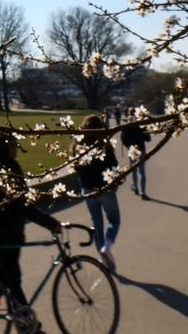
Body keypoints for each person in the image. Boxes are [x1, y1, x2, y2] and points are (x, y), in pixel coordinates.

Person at [0, 133, 62, 333]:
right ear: (7, 147)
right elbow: (25, 205)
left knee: (1, 283)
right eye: (14, 145)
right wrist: (51, 223)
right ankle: (28, 326)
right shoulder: (10, 168)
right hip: (9, 232)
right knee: (12, 280)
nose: (16, 149)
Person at [72, 114, 120, 270]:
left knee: (97, 223)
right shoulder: (104, 145)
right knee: (114, 220)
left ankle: (103, 256)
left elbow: (76, 167)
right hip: (105, 188)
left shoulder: (78, 145)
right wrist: (116, 180)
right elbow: (114, 165)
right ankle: (107, 247)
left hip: (87, 189)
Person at [121, 122, 151, 199]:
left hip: (131, 150)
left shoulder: (127, 126)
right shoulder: (142, 124)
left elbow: (123, 140)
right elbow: (148, 138)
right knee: (142, 171)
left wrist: (128, 145)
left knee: (133, 170)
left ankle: (136, 187)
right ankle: (143, 192)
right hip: (141, 149)